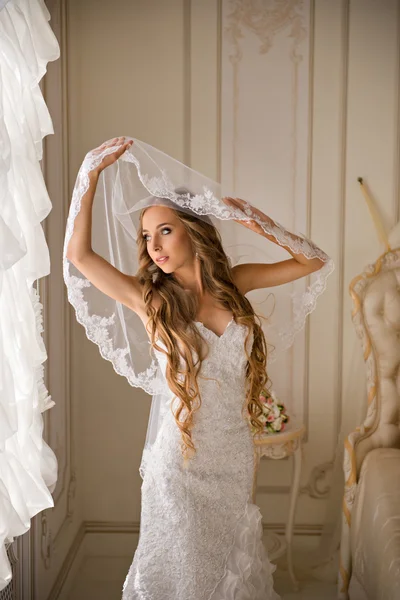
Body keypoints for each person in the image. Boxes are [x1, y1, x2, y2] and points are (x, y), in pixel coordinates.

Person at [65, 136, 329, 600]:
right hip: (179, 462)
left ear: (193, 229)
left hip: (232, 458)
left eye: (164, 231)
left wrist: (258, 223)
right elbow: (79, 257)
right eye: (147, 236)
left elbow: (314, 261)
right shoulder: (149, 301)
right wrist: (90, 175)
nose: (154, 245)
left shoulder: (235, 285)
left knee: (228, 570)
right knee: (181, 571)